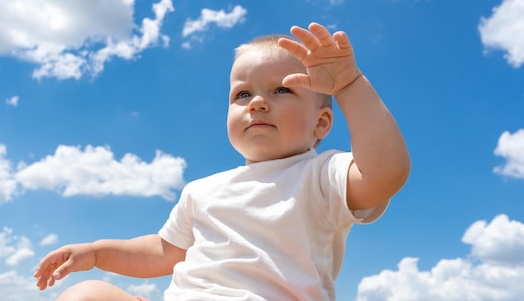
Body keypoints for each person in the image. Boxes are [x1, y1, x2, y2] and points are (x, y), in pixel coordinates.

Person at [34, 22, 410, 301]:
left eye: (282, 90)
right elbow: (163, 252)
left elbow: (385, 174)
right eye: (242, 94)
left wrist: (348, 86)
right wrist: (97, 253)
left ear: (321, 122)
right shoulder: (201, 191)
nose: (258, 103)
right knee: (85, 296)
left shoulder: (322, 175)